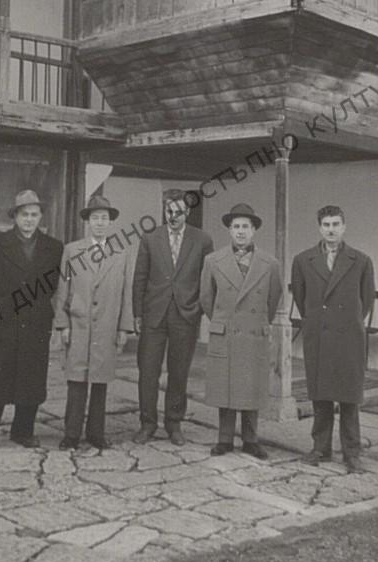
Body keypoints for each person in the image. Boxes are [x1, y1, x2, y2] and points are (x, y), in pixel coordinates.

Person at [0, 190, 63, 458]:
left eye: (34, 214)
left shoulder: (54, 247)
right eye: (24, 214)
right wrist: (5, 306)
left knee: (32, 375)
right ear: (15, 217)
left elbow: (52, 284)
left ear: (41, 217)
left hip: (37, 321)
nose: (29, 220)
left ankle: (23, 431)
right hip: (5, 321)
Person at [291, 205, 376, 473]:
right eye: (326, 225)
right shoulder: (303, 260)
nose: (331, 230)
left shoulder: (361, 260)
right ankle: (321, 448)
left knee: (349, 398)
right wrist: (319, 322)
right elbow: (301, 300)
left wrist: (346, 323)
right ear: (319, 227)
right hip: (319, 336)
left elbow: (367, 300)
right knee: (321, 395)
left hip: (348, 337)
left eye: (335, 224)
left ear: (344, 227)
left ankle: (352, 453)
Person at [200, 203, 282, 460]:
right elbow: (206, 297)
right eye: (236, 226)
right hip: (226, 332)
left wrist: (254, 322)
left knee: (251, 387)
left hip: (253, 333)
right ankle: (224, 439)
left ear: (254, 230)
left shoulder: (270, 263)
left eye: (246, 226)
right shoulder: (213, 261)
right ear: (229, 230)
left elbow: (273, 298)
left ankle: (251, 440)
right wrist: (223, 320)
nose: (241, 231)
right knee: (225, 387)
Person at [132, 188, 213, 445]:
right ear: (164, 211)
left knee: (179, 372)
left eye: (179, 211)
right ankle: (147, 423)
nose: (173, 216)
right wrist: (137, 313)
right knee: (148, 371)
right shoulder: (150, 238)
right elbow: (140, 277)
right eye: (169, 211)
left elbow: (207, 280)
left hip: (185, 315)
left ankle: (174, 423)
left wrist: (198, 309)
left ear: (187, 212)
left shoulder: (202, 240)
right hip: (153, 314)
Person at [52, 194, 133, 451]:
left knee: (100, 381)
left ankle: (96, 433)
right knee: (77, 381)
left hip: (107, 326)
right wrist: (63, 324)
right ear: (88, 222)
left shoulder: (121, 253)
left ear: (110, 222)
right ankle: (71, 434)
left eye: (104, 218)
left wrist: (123, 328)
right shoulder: (72, 251)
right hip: (79, 326)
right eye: (95, 218)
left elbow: (127, 293)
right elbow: (63, 289)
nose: (99, 223)